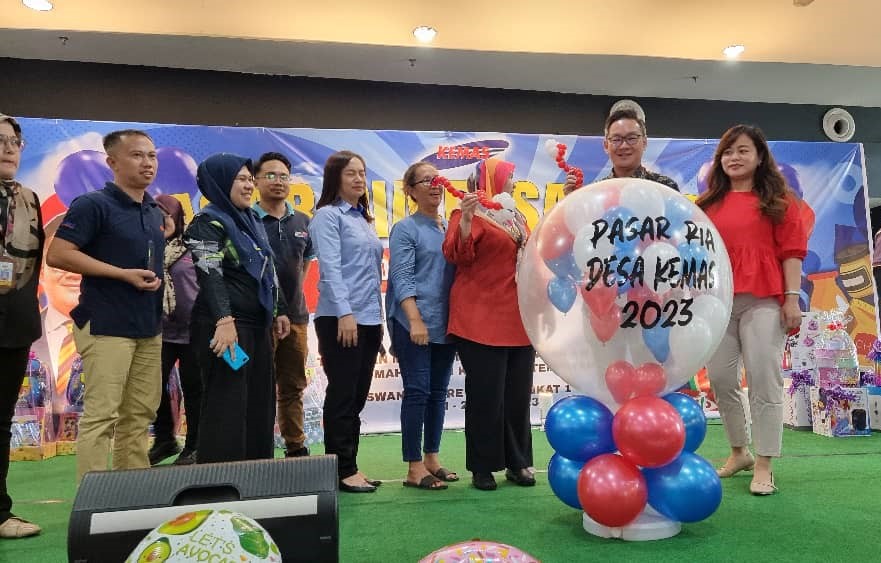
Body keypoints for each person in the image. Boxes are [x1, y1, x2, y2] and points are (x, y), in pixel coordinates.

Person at [47, 129, 166, 484]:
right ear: (112, 162)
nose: (147, 163)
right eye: (137, 155)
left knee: (140, 416)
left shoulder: (153, 209)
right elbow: (58, 254)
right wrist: (122, 275)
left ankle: (132, 495)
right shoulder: (93, 204)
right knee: (102, 417)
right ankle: (94, 502)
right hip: (104, 324)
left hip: (148, 326)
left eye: (152, 155)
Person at [696, 124, 807, 496]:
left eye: (743, 150)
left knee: (763, 378)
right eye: (727, 152)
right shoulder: (706, 205)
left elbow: (792, 253)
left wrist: (791, 298)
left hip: (764, 300)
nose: (734, 157)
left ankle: (764, 462)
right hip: (718, 304)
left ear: (760, 157)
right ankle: (739, 452)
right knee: (720, 379)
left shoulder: (780, 201)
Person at [185, 153, 290, 464]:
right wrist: (224, 319)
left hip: (256, 326)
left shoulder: (250, 220)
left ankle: (257, 475)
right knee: (227, 405)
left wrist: (279, 310)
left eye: (249, 179)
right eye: (240, 179)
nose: (248, 186)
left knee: (260, 403)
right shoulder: (207, 222)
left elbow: (267, 268)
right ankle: (221, 480)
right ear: (219, 183)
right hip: (225, 328)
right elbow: (210, 274)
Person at [442, 157, 535, 491]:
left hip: (518, 319)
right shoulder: (466, 213)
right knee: (486, 397)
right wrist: (467, 219)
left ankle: (518, 462)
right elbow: (457, 255)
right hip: (480, 318)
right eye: (509, 177)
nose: (514, 183)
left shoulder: (516, 216)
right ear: (493, 180)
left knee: (518, 396)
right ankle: (483, 467)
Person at [309, 150, 383, 493]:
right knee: (342, 395)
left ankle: (350, 464)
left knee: (357, 397)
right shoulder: (327, 216)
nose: (358, 179)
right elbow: (330, 270)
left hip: (368, 319)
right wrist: (345, 313)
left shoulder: (362, 219)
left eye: (362, 173)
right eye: (351, 173)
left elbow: (368, 274)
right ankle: (341, 469)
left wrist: (374, 321)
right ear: (335, 178)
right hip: (340, 319)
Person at [387, 162, 457, 491]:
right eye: (426, 180)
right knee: (417, 391)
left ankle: (432, 458)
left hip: (446, 323)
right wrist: (414, 319)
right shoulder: (406, 228)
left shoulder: (450, 228)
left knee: (438, 393)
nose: (435, 184)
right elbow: (402, 278)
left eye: (437, 178)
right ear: (411, 190)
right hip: (413, 322)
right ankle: (414, 467)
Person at [252, 152, 314, 458]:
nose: (278, 181)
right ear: (255, 181)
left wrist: (292, 300)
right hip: (258, 318)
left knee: (293, 385)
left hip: (297, 317)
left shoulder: (303, 221)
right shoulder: (246, 219)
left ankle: (295, 446)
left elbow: (305, 263)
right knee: (258, 385)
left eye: (283, 176)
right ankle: (258, 449)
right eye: (270, 175)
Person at [0, 112, 44, 538]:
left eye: (15, 141)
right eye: (0, 140)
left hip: (12, 323)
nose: (9, 148)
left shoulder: (28, 198)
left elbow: (30, 266)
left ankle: (0, 511)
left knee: (1, 420)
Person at [148, 195, 200, 466]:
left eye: (165, 215)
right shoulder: (147, 250)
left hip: (193, 331)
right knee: (151, 385)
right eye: (154, 216)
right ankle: (165, 438)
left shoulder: (194, 248)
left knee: (194, 389)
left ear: (177, 218)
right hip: (159, 330)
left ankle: (195, 445)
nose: (160, 222)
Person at [30, 214, 83, 414]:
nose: (73, 272)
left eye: (82, 260)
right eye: (60, 262)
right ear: (42, 272)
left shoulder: (117, 334)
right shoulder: (23, 331)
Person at [564, 108, 679, 194]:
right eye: (616, 139)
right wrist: (573, 200)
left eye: (632, 138)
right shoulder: (596, 192)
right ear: (606, 146)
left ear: (644, 142)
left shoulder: (665, 187)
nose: (624, 146)